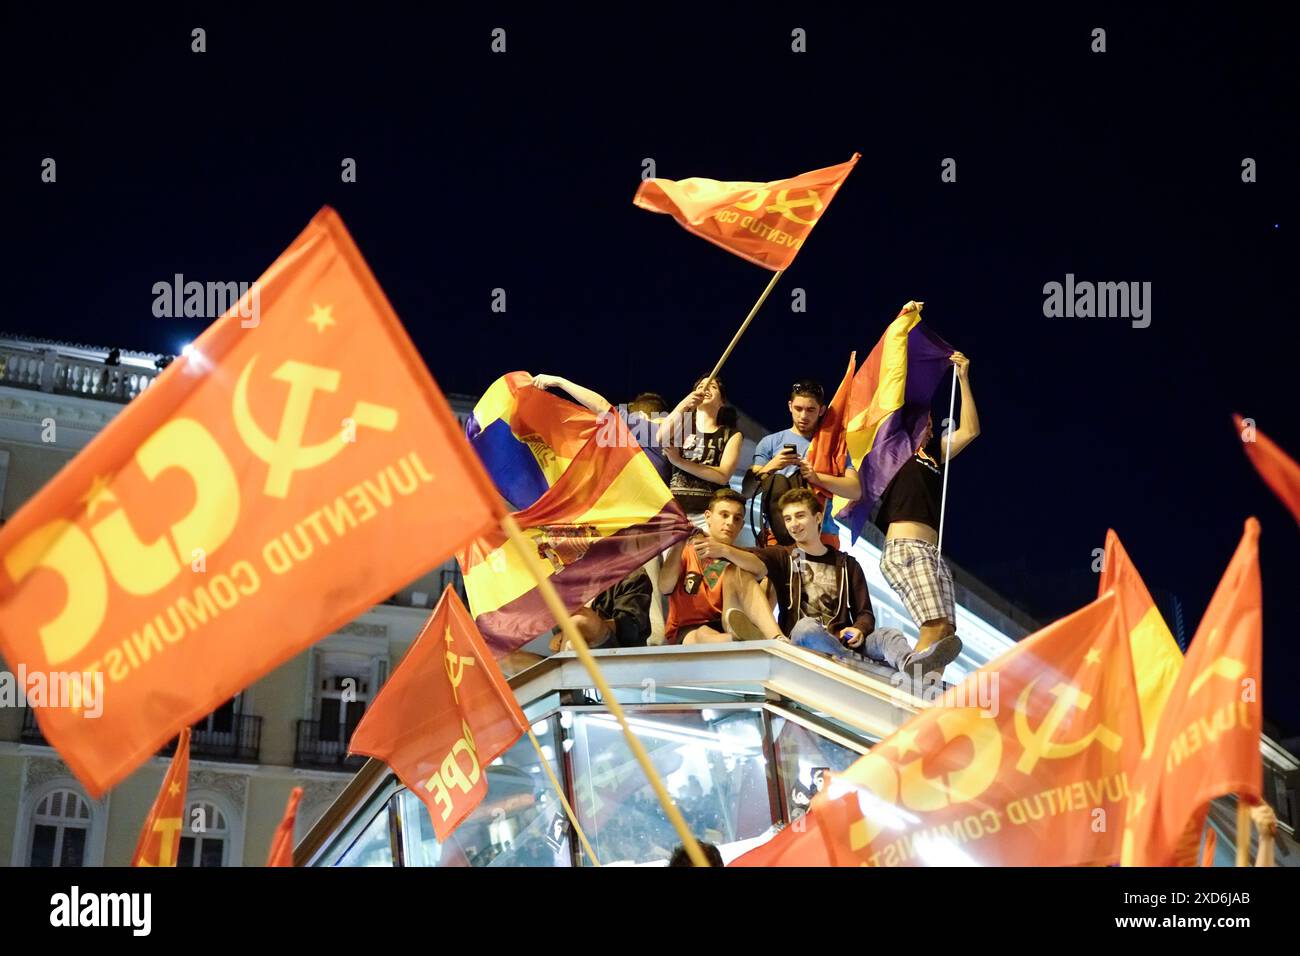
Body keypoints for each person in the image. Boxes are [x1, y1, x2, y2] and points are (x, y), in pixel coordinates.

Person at [753, 489, 948, 676]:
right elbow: (745, 556)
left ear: (818, 518)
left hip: (843, 641)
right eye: (788, 519)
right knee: (807, 627)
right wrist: (723, 549)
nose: (793, 524)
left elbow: (865, 614)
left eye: (800, 516)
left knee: (888, 634)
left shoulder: (848, 564)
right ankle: (863, 664)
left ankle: (911, 665)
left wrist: (859, 629)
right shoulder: (783, 556)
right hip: (807, 642)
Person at [875, 351, 978, 671]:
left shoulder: (934, 456)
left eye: (934, 423)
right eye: (927, 423)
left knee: (946, 634)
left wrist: (963, 379)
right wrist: (904, 342)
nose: (932, 429)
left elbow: (971, 431)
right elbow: (891, 394)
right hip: (905, 549)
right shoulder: (893, 451)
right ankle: (909, 684)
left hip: (931, 553)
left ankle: (926, 693)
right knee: (933, 626)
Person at [659, 488, 785, 645]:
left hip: (730, 620)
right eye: (724, 515)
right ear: (708, 517)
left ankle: (777, 638)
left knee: (742, 572)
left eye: (737, 519)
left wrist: (724, 550)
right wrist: (677, 544)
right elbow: (664, 587)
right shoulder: (686, 551)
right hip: (689, 630)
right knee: (703, 633)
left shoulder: (741, 558)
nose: (730, 523)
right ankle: (740, 639)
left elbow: (761, 569)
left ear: (741, 526)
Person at [744, 379, 861, 545]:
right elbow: (747, 491)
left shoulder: (835, 445)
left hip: (823, 533)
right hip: (778, 533)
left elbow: (855, 491)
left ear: (821, 410)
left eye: (810, 409)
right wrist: (772, 466)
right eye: (798, 409)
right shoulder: (770, 442)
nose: (803, 416)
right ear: (790, 406)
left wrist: (817, 478)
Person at [529, 374, 670, 483]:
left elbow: (602, 406)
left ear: (641, 416)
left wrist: (560, 381)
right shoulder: (678, 442)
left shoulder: (644, 428)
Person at [657, 376, 743, 531]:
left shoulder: (731, 434)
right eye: (701, 386)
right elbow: (660, 437)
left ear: (722, 401)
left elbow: (722, 476)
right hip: (675, 508)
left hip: (709, 513)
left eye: (713, 386)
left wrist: (679, 461)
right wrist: (684, 404)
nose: (706, 388)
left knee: (704, 555)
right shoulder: (683, 426)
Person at [549, 568, 654, 652]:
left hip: (619, 654)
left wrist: (583, 627)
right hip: (572, 655)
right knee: (531, 660)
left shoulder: (630, 574)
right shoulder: (562, 585)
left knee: (579, 621)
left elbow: (631, 626)